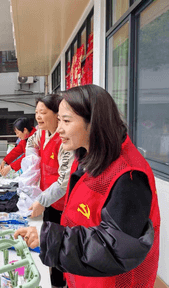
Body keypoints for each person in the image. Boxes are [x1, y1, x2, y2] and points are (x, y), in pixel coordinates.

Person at [15, 85, 160, 288]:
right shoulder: (85, 155)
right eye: (59, 121)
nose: (59, 129)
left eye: (66, 121)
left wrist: (50, 239)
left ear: (94, 123)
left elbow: (115, 248)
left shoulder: (129, 176)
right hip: (84, 275)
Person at [20, 95, 74, 288]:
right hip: (48, 202)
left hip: (64, 204)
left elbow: (64, 181)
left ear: (57, 114)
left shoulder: (65, 140)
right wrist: (32, 160)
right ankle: (54, 280)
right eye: (36, 113)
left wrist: (41, 200)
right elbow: (30, 143)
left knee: (62, 246)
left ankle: (61, 283)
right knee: (49, 243)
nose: (38, 117)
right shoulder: (41, 133)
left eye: (43, 112)